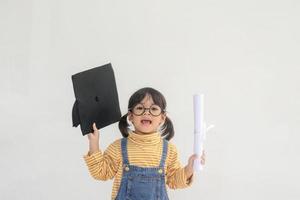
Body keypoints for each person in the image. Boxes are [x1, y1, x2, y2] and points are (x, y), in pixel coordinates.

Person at [83, 87, 206, 200]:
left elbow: (174, 181)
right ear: (130, 116)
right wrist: (94, 143)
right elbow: (101, 173)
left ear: (162, 118)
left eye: (153, 109)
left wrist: (190, 168)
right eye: (140, 108)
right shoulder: (118, 147)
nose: (146, 113)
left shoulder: (169, 150)